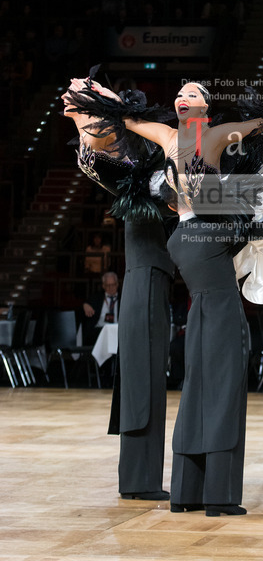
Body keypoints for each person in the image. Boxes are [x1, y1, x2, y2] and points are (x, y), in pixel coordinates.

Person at [64, 76, 263, 516]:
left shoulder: (190, 147)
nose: (183, 99)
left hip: (184, 254)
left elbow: (252, 130)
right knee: (183, 374)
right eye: (180, 93)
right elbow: (118, 135)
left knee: (192, 374)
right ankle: (165, 482)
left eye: (194, 94)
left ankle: (176, 484)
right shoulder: (160, 149)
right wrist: (95, 106)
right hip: (170, 260)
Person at [63, 79, 177, 501]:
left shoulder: (136, 166)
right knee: (144, 383)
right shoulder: (127, 171)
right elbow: (119, 153)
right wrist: (106, 106)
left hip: (147, 279)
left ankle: (137, 479)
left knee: (141, 381)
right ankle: (141, 481)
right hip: (146, 280)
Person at [82, 271, 120, 347]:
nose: (111, 288)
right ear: (103, 286)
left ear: (117, 284)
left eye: (113, 285)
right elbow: (80, 313)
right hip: (99, 332)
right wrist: (84, 305)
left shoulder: (124, 299)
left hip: (117, 331)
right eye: (108, 285)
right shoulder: (96, 298)